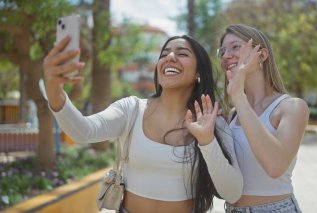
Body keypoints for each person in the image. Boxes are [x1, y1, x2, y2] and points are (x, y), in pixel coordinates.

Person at [43, 34, 243, 213]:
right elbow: (83, 131)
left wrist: (207, 141)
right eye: (164, 53)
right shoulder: (131, 109)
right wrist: (54, 89)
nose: (170, 57)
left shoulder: (212, 120)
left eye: (182, 53)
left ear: (199, 71)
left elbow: (232, 193)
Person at [217, 24, 309, 213]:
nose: (226, 56)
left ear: (262, 55)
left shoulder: (291, 107)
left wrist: (238, 96)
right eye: (223, 51)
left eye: (235, 47)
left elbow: (275, 166)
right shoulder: (232, 115)